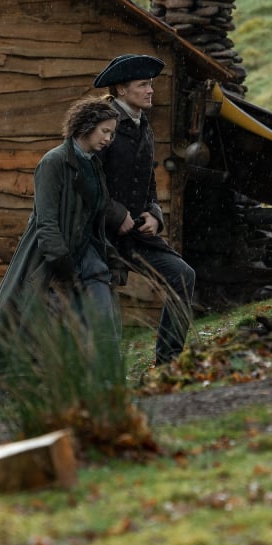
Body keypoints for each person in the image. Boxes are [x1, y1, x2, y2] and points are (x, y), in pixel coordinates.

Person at [0, 96, 122, 422]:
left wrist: (108, 256)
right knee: (21, 332)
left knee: (104, 323)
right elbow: (46, 220)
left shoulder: (93, 163)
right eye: (104, 131)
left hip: (89, 258)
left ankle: (108, 396)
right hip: (48, 259)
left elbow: (94, 214)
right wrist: (61, 263)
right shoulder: (54, 162)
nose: (108, 138)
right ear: (86, 127)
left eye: (112, 133)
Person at [94, 54, 196, 367]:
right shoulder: (103, 125)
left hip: (137, 234)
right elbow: (87, 184)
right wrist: (116, 214)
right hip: (99, 236)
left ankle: (167, 363)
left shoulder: (143, 125)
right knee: (102, 308)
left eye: (151, 84)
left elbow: (149, 182)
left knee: (182, 275)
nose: (151, 90)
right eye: (143, 85)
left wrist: (154, 214)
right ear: (122, 90)